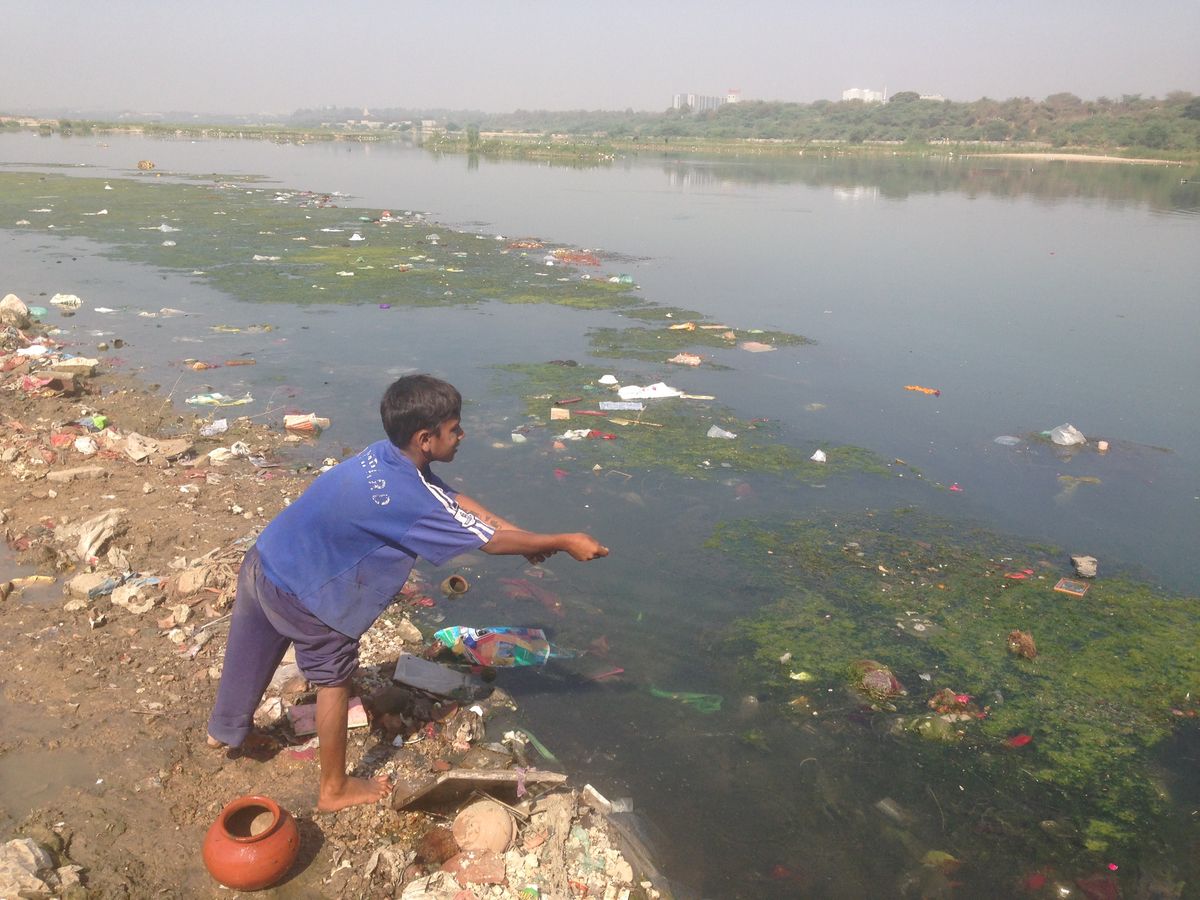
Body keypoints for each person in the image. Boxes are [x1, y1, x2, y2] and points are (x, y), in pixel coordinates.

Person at [206, 374, 608, 812]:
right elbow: (487, 541)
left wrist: (529, 537)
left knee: (251, 647)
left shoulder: (384, 457)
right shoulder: (408, 499)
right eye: (454, 429)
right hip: (308, 593)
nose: (462, 435)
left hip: (266, 559)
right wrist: (563, 540)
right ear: (425, 438)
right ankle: (334, 788)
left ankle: (226, 729)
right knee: (334, 679)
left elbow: (455, 504)